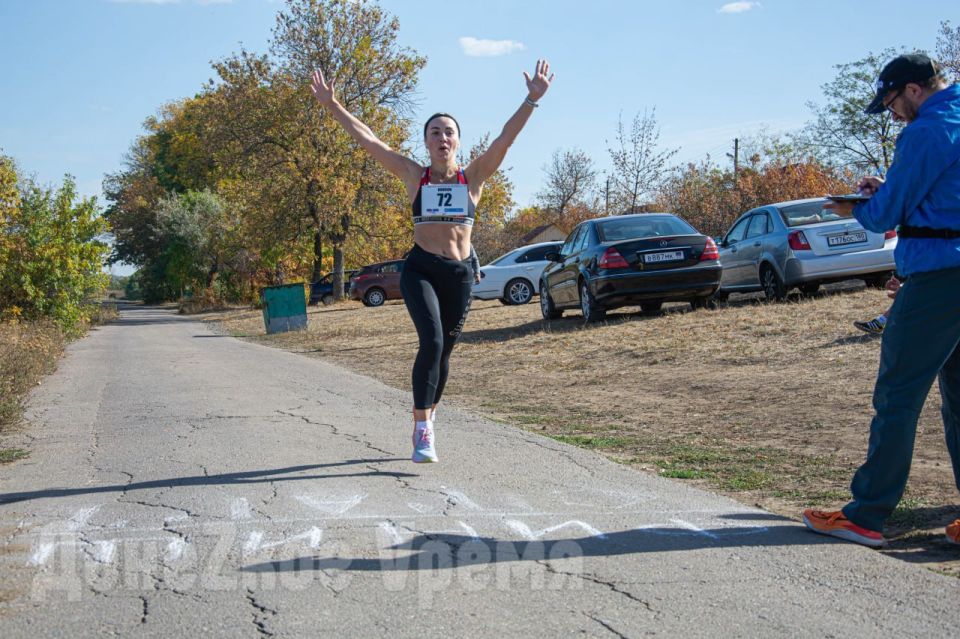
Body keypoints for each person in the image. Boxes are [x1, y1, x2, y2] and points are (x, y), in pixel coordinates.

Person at [311, 60, 553, 463]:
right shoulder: (414, 176)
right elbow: (369, 141)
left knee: (444, 354)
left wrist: (531, 99)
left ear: (457, 141)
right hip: (420, 269)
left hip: (459, 275)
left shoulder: (472, 177)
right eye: (435, 131)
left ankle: (428, 418)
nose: (443, 137)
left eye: (449, 132)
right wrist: (333, 106)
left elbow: (505, 140)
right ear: (426, 142)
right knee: (432, 341)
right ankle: (422, 430)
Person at [803, 53, 960, 547]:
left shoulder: (924, 131)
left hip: (938, 277)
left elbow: (888, 212)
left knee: (897, 396)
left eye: (892, 102)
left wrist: (860, 205)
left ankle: (867, 514)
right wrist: (887, 189)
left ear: (913, 89)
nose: (891, 113)